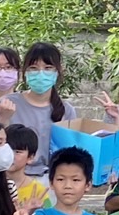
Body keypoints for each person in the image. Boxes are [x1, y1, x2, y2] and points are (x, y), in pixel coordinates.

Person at [7, 42, 77, 178]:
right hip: (12, 179)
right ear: (25, 72)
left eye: (48, 68)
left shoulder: (66, 110)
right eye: (33, 68)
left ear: (58, 71)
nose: (40, 74)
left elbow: (70, 153)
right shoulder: (9, 104)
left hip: (49, 182)